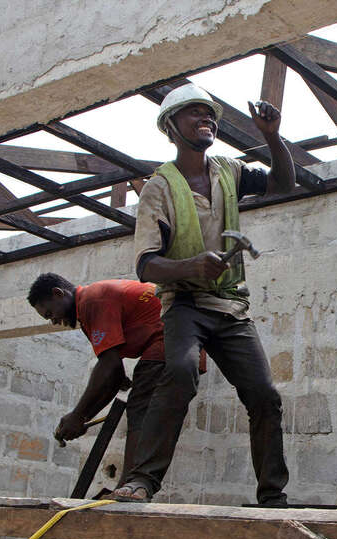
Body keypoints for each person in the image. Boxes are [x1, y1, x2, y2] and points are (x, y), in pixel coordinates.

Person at [113, 83, 295, 505]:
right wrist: (189, 268)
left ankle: (272, 495)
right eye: (194, 113)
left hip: (231, 308)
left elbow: (284, 184)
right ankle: (143, 479)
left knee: (264, 395)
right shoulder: (159, 187)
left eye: (209, 114)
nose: (205, 119)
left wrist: (271, 136)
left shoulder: (229, 171)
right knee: (177, 371)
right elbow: (146, 264)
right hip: (187, 305)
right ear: (171, 127)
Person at [27, 273, 205, 484]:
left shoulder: (92, 301)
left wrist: (77, 414)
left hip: (171, 340)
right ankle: (132, 483)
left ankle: (131, 484)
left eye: (50, 314)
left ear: (58, 293)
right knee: (140, 407)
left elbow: (108, 367)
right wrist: (83, 418)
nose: (54, 321)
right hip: (176, 340)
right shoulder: (88, 310)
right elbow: (114, 377)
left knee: (141, 410)